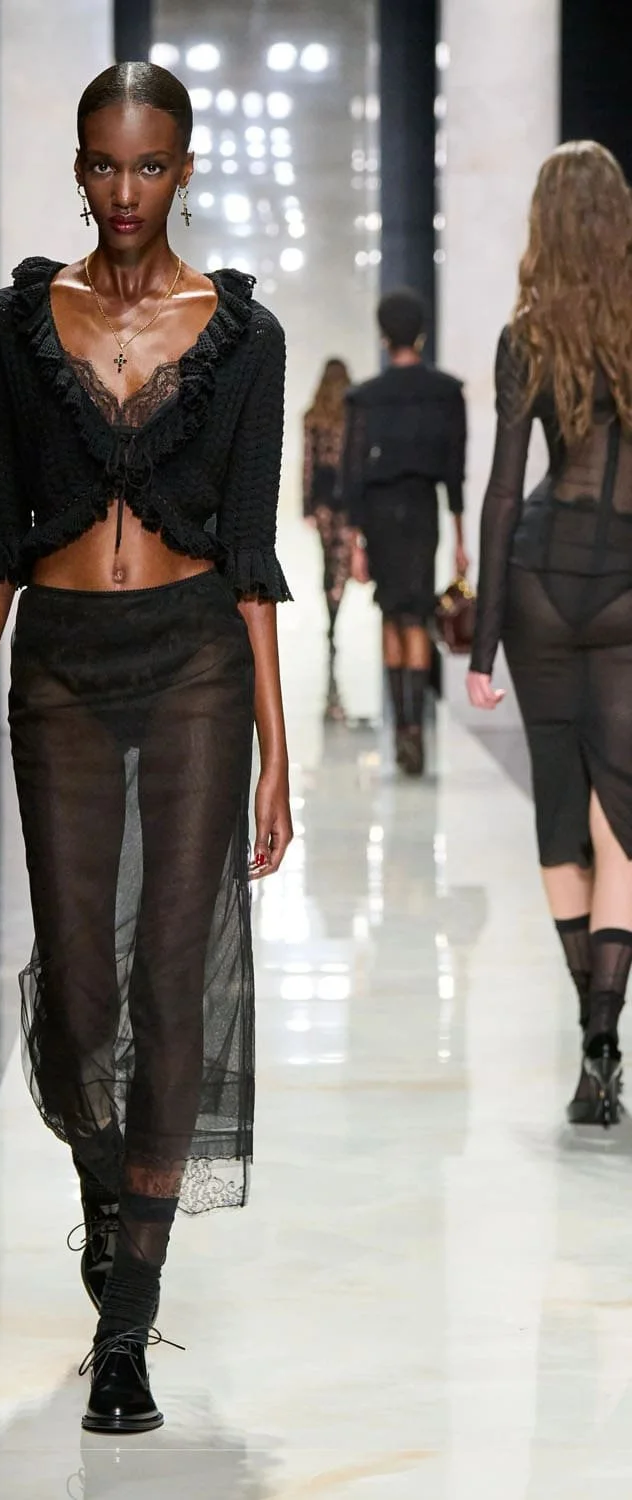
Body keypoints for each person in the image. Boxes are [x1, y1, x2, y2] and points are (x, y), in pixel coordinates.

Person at [0, 61, 292, 1434]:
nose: (124, 190)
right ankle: (106, 1188)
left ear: (183, 169)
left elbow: (250, 556)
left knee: (174, 972)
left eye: (148, 166)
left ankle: (128, 1316)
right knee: (83, 984)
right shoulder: (13, 328)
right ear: (78, 168)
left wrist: (276, 749)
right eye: (102, 164)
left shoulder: (243, 338)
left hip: (197, 657)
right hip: (63, 668)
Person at [468, 141, 632, 1129]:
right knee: (621, 813)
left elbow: (500, 494)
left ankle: (588, 1029)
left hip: (536, 584)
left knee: (560, 809)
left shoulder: (525, 336)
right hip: (623, 593)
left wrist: (482, 642)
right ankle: (605, 1035)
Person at [341, 289, 468, 775]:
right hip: (421, 511)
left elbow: (353, 474)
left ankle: (401, 731)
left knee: (391, 615)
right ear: (421, 334)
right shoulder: (445, 392)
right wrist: (460, 539)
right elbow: (454, 472)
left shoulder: (365, 398)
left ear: (382, 336)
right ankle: (414, 729)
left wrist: (355, 543)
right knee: (416, 615)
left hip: (379, 515)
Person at [302, 357, 353, 720]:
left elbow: (308, 463)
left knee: (328, 559)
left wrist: (306, 506)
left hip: (322, 497)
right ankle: (335, 611)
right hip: (344, 496)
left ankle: (331, 614)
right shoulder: (352, 414)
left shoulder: (313, 416)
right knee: (341, 559)